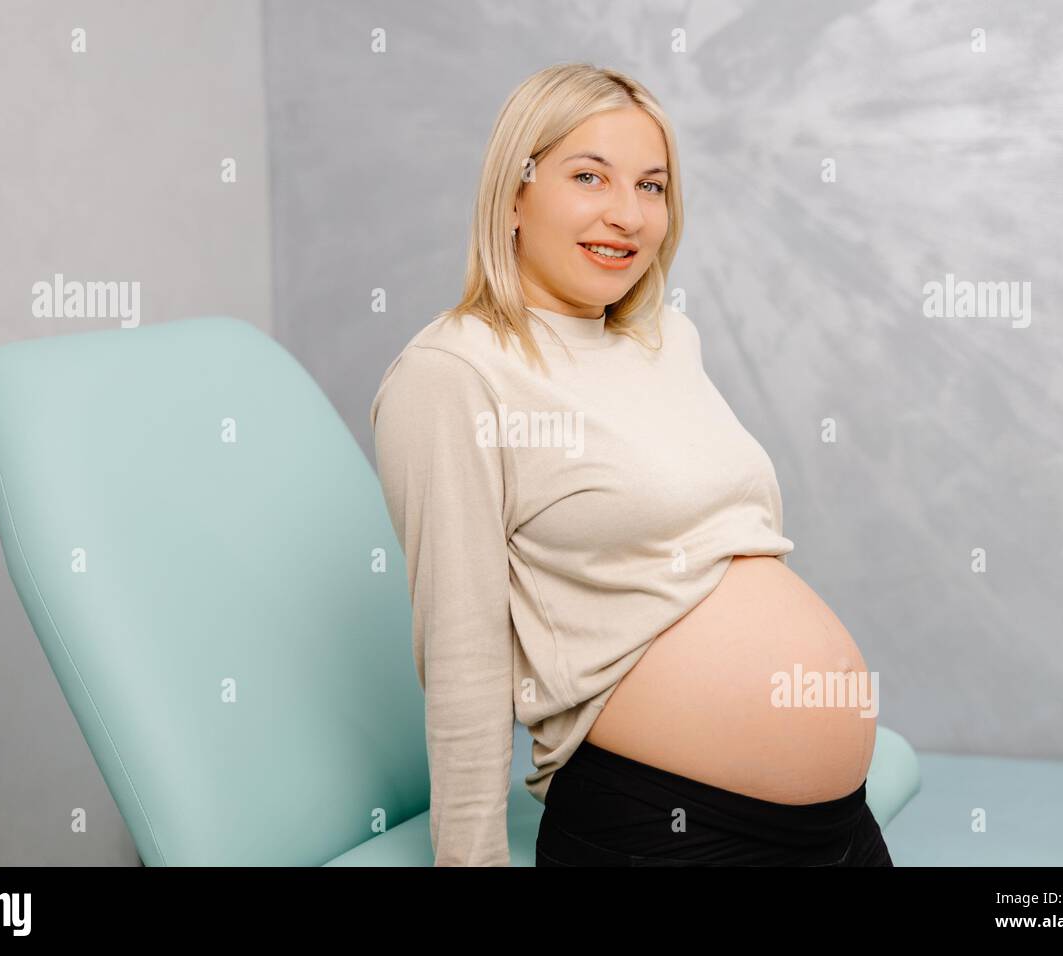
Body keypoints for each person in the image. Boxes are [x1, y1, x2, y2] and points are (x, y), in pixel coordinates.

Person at [369, 62, 893, 867]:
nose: (627, 215)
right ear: (515, 194)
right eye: (589, 177)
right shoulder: (454, 374)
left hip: (835, 827)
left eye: (652, 186)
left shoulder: (666, 340)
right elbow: (463, 650)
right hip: (662, 827)